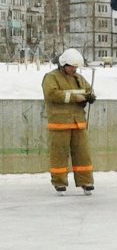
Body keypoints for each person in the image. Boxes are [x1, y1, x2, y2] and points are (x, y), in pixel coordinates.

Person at [41, 48, 96, 194]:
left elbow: (88, 90)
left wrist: (90, 96)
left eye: (76, 67)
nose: (74, 69)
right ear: (63, 64)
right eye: (71, 67)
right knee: (59, 154)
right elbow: (52, 94)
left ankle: (86, 181)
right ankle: (59, 183)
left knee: (83, 154)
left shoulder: (79, 79)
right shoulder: (51, 77)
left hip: (78, 123)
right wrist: (73, 98)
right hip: (59, 124)